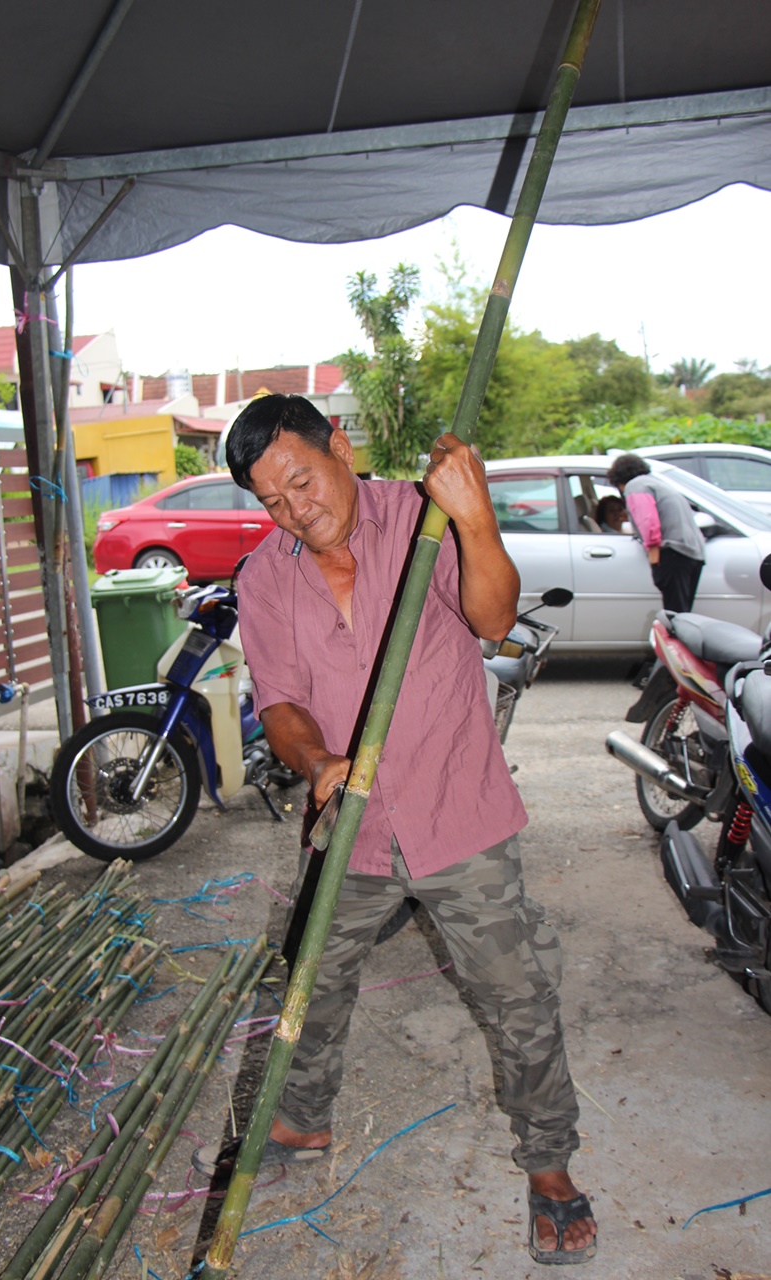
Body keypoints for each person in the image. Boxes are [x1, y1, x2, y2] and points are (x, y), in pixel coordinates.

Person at [215, 393, 597, 1264]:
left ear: (338, 445)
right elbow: (278, 700)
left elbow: (496, 623)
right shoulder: (265, 577)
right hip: (353, 821)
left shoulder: (423, 519)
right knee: (308, 981)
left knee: (516, 993)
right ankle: (303, 1123)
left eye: (301, 481)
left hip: (458, 809)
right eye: (271, 501)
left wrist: (476, 517)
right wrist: (316, 765)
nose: (294, 509)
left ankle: (549, 1167)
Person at [606, 453, 706, 612]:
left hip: (673, 553)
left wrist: (653, 555)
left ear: (618, 480)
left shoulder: (635, 486)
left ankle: (672, 637)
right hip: (692, 553)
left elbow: (648, 521)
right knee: (683, 612)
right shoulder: (657, 484)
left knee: (674, 615)